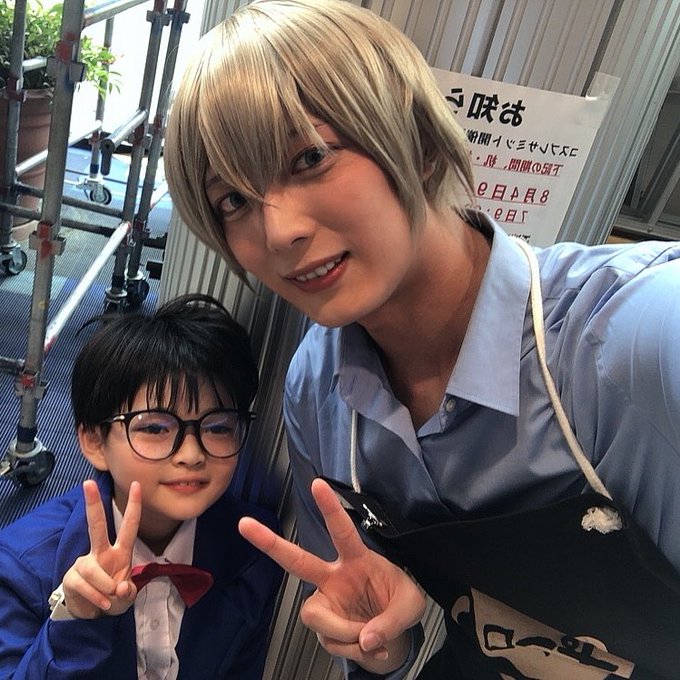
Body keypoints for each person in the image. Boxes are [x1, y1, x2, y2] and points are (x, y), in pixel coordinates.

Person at [163, 1, 680, 678]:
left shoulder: (634, 338)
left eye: (310, 157)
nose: (280, 231)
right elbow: (374, 625)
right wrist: (380, 642)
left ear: (421, 143)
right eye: (232, 200)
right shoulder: (320, 390)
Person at [0, 294, 283, 680]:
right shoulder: (20, 564)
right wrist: (76, 620)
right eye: (154, 427)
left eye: (218, 427)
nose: (191, 454)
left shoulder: (255, 549)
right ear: (94, 441)